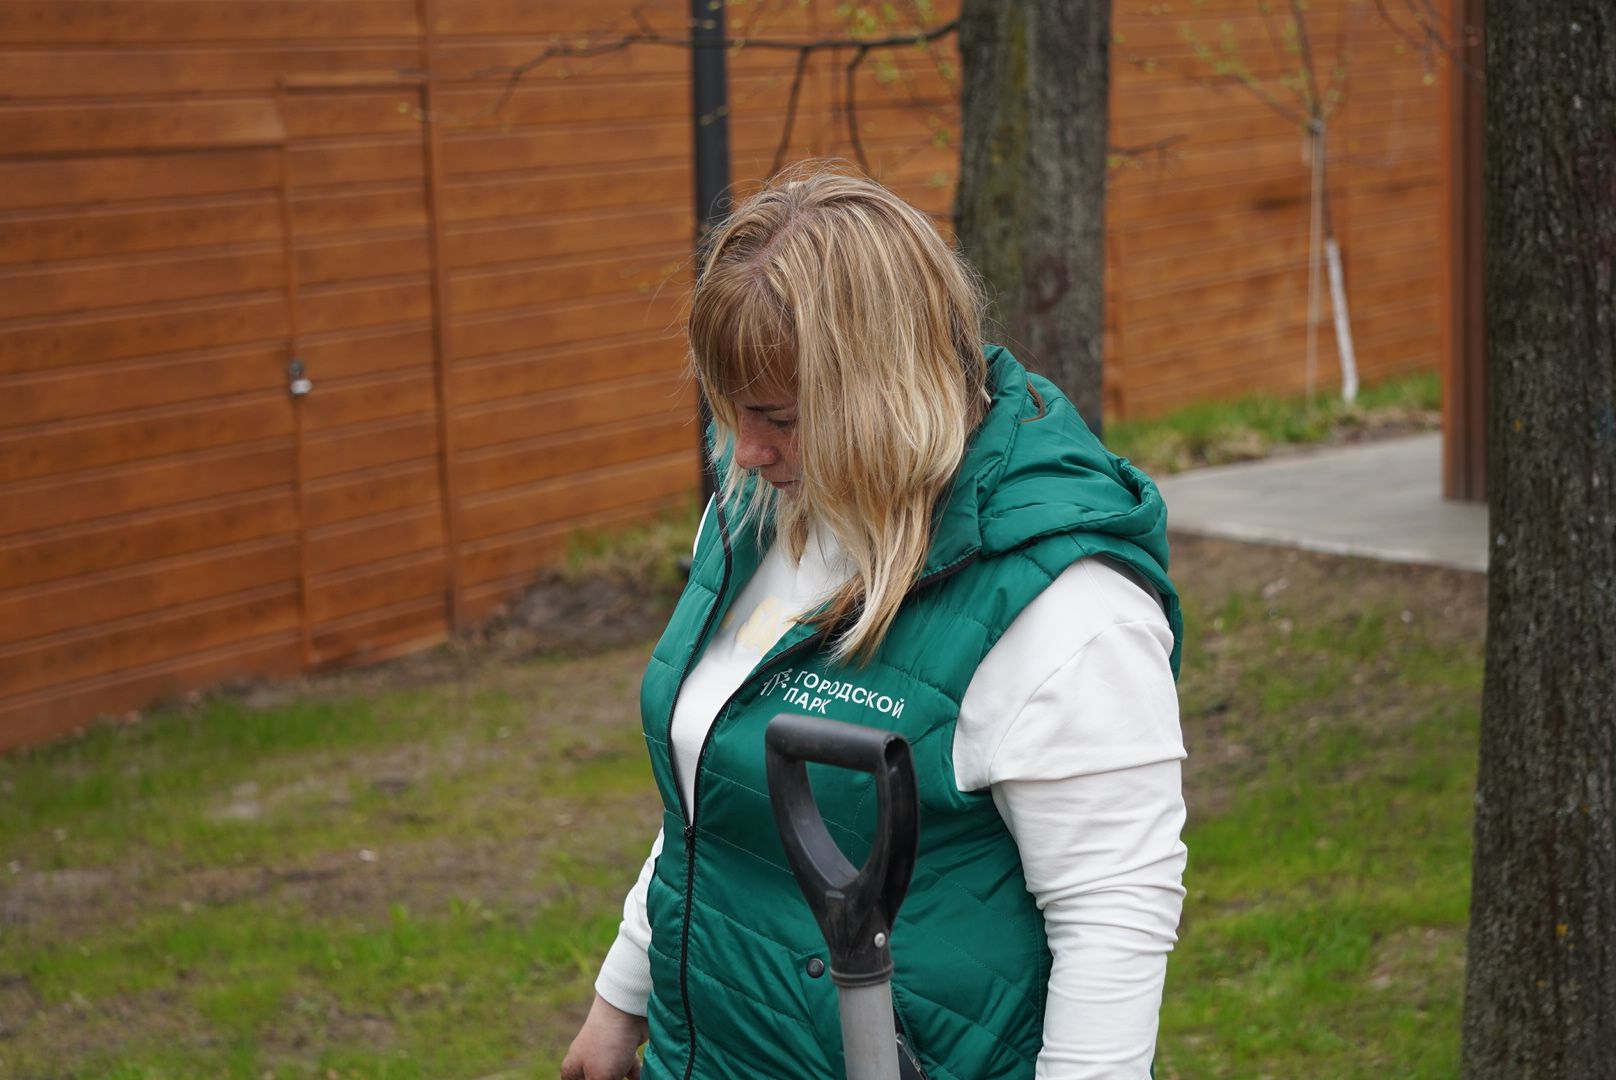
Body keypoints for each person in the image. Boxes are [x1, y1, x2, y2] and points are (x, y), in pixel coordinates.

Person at [561, 166, 1186, 1080]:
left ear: (888, 391)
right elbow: (709, 797)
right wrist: (622, 999)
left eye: (778, 416)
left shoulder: (1067, 613)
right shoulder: (752, 516)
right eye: (729, 407)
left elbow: (1113, 922)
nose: (746, 450)